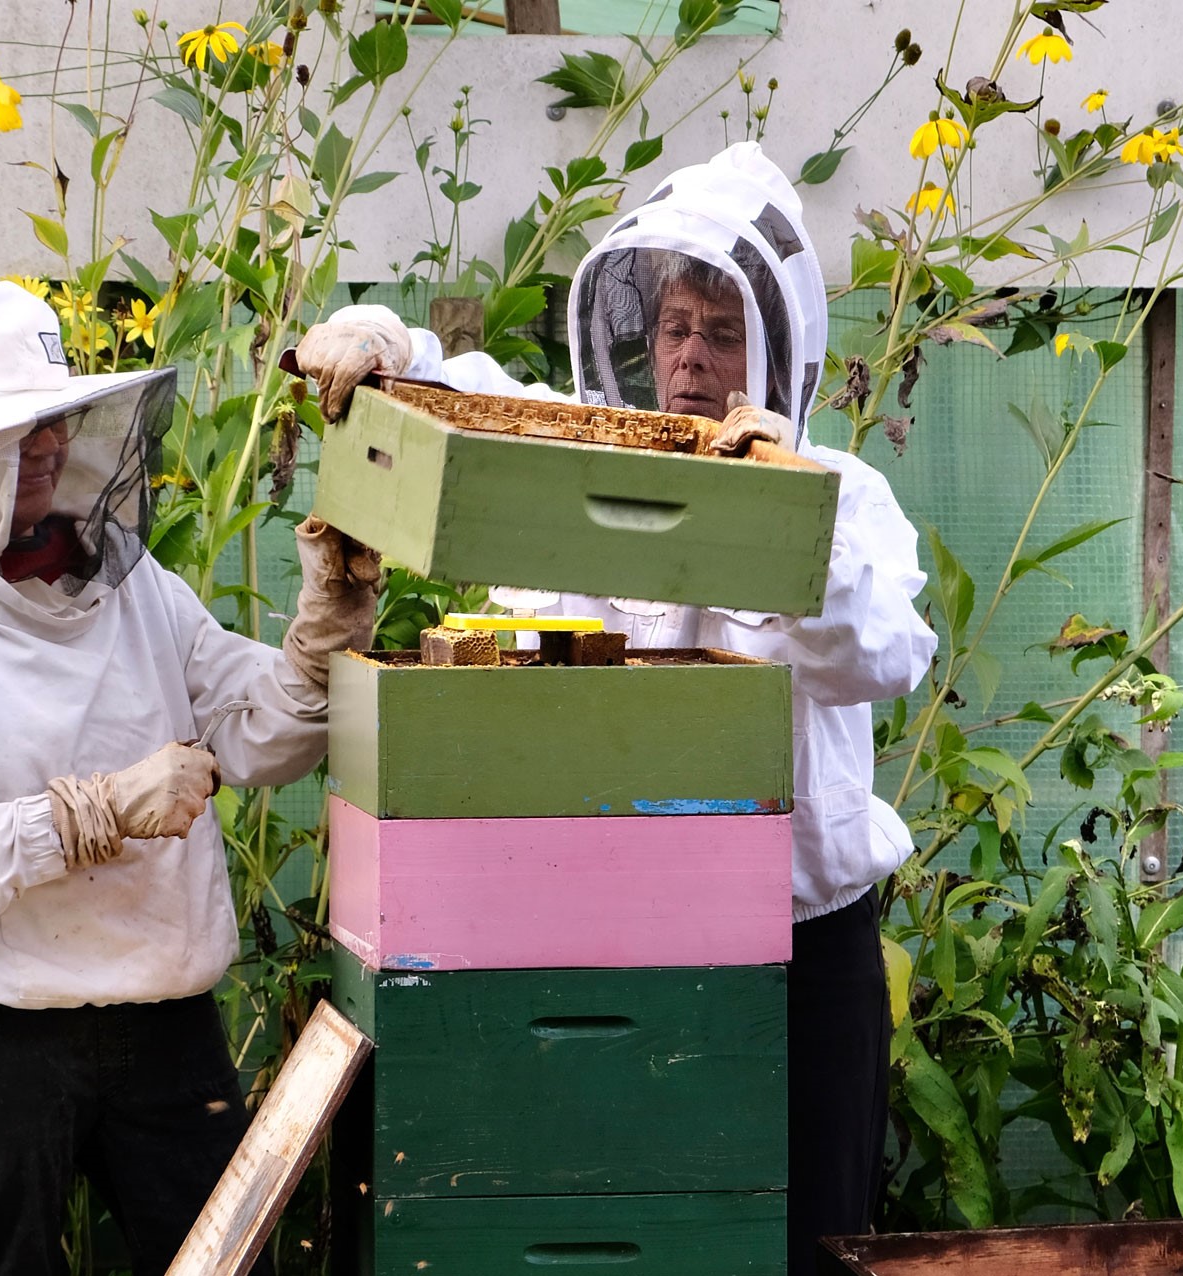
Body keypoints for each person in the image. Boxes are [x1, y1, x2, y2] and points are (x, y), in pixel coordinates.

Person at [295, 142, 938, 1274]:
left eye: (722, 332)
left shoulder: (848, 495)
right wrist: (397, 347)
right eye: (676, 328)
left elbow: (888, 647)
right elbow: (490, 404)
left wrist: (782, 518)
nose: (690, 358)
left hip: (798, 954)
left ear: (780, 348)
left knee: (808, 1242)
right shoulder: (598, 454)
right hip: (606, 930)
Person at [0, 280, 380, 1276]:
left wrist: (328, 626)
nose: (54, 449)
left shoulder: (119, 573)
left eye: (57, 422)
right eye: (20, 431)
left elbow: (265, 734)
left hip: (162, 1024)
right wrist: (93, 815)